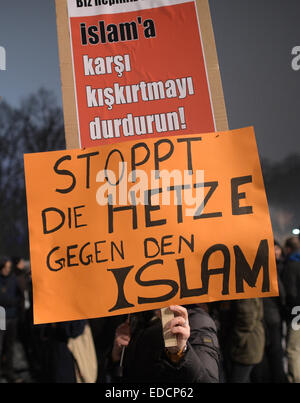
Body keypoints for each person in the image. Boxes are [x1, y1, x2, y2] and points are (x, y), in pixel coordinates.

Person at [108, 304, 220, 383]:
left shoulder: (196, 320)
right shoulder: (137, 315)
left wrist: (181, 352)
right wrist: (116, 357)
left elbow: (208, 379)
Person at [251, 241, 287, 383]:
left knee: (262, 352)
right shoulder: (269, 268)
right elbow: (282, 293)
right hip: (273, 316)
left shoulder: (252, 268)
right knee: (275, 351)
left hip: (259, 317)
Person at [227, 298, 265, 383]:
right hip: (251, 341)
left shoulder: (245, 292)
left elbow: (246, 319)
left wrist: (237, 339)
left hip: (246, 344)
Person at [0, 256, 24, 382]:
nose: (6, 270)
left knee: (10, 346)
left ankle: (9, 371)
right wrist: (11, 302)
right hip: (1, 316)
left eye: (8, 267)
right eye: (5, 267)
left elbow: (19, 297)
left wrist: (13, 303)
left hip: (12, 317)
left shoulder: (13, 279)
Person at [282, 236, 300, 383]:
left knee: (293, 348)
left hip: (297, 312)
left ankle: (295, 379)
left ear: (287, 249)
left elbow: (291, 293)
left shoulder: (291, 265)